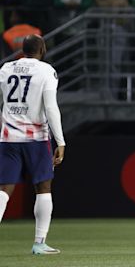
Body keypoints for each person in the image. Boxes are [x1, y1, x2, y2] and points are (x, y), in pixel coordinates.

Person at [0, 35, 66, 255]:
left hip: (8, 138)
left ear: (22, 50)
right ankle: (39, 243)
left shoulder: (6, 68)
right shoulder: (46, 71)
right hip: (36, 139)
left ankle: (40, 243)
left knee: (3, 190)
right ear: (42, 49)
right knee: (43, 188)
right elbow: (51, 108)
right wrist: (61, 141)